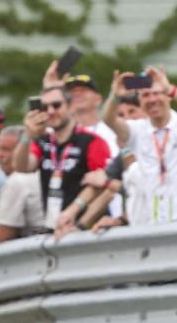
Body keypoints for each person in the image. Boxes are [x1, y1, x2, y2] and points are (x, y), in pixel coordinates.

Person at [102, 66, 177, 225]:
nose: (152, 99)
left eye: (157, 93)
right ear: (140, 101)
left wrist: (169, 88)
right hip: (159, 225)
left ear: (168, 97)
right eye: (146, 95)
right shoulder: (138, 131)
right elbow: (108, 120)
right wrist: (115, 97)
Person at [12, 85, 111, 232]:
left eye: (56, 105)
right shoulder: (42, 141)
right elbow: (21, 167)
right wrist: (27, 135)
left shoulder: (92, 141)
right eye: (45, 107)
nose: (51, 111)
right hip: (54, 228)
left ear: (71, 106)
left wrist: (80, 222)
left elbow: (105, 188)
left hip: (86, 230)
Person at [0, 127, 45, 248]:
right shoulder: (41, 176)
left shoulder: (17, 181)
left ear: (23, 151)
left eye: (6, 149)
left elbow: (5, 234)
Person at [62, 73, 120, 156]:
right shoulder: (55, 133)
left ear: (98, 99)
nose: (77, 94)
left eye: (83, 90)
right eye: (72, 91)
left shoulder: (112, 131)